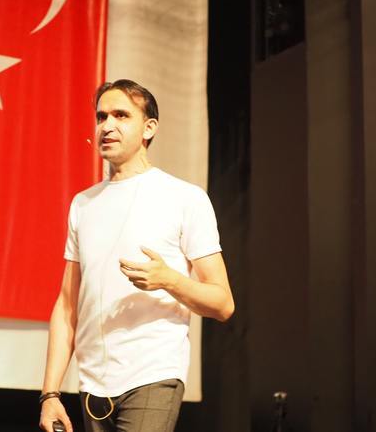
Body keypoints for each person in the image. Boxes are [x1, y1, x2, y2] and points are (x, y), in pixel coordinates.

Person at [38, 79, 234, 432]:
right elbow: (67, 306)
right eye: (101, 117)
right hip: (93, 384)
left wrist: (169, 280)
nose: (107, 126)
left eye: (121, 115)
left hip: (153, 374)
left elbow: (223, 303)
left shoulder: (184, 198)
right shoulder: (83, 204)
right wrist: (50, 394)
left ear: (149, 128)